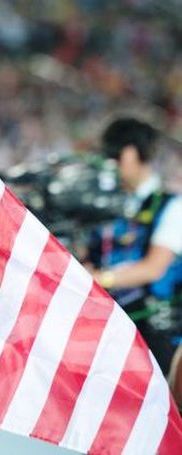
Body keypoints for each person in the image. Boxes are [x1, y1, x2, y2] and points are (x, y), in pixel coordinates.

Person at [86, 117, 182, 407]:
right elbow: (89, 257)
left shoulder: (172, 205)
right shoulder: (101, 205)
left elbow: (154, 268)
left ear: (129, 154)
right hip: (109, 332)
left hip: (159, 336)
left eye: (112, 156)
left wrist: (100, 279)